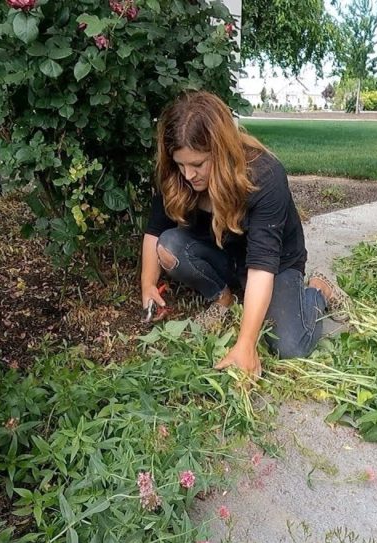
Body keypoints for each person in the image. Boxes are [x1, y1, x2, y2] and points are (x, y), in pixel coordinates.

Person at [139, 90, 348, 376]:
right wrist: (148, 284)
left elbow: (262, 265)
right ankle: (223, 298)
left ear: (221, 150)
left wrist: (245, 344)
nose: (188, 175)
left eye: (198, 164)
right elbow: (155, 230)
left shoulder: (265, 175)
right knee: (169, 245)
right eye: (180, 164)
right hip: (225, 256)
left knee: (291, 347)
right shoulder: (179, 174)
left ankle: (318, 290)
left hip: (275, 265)